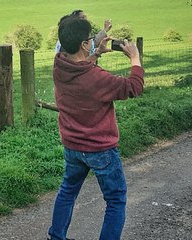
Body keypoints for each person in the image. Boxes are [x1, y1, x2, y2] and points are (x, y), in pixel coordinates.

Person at [48, 17, 144, 240]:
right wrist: (135, 59)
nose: (93, 41)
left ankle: (56, 237)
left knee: (67, 191)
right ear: (83, 44)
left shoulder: (59, 64)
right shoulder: (96, 77)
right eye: (91, 39)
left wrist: (97, 54)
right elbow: (134, 87)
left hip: (72, 145)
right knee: (116, 199)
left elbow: (79, 68)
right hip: (100, 149)